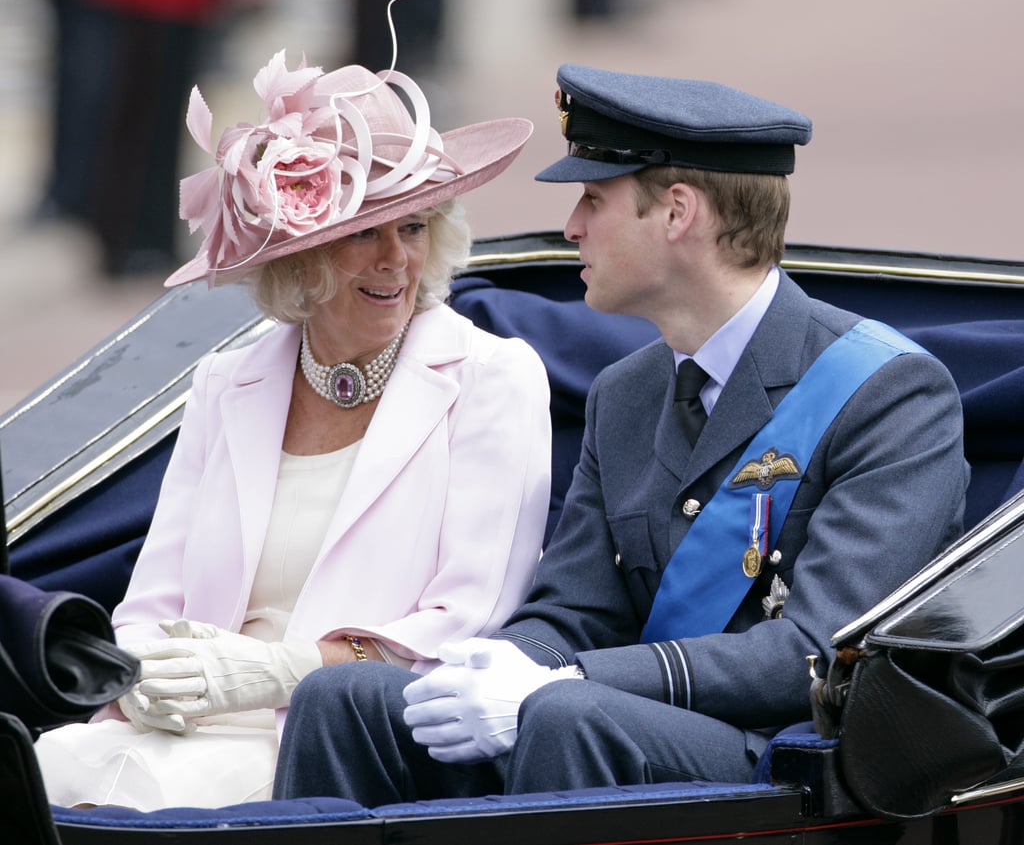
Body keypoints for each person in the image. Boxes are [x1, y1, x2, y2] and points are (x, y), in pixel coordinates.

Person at [272, 64, 970, 804]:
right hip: (601, 721)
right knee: (342, 697)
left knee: (565, 714)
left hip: (781, 756)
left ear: (676, 212)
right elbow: (573, 610)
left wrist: (567, 678)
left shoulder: (887, 392)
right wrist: (496, 666)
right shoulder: (624, 392)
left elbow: (813, 653)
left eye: (593, 199)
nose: (571, 225)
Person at [33, 49, 550, 809]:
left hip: (340, 744)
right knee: (36, 773)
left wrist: (281, 669)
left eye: (413, 226)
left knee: (133, 803)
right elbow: (150, 603)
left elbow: (469, 623)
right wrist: (141, 674)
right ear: (301, 254)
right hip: (180, 724)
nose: (397, 259)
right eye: (364, 234)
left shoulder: (491, 378)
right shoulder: (225, 382)